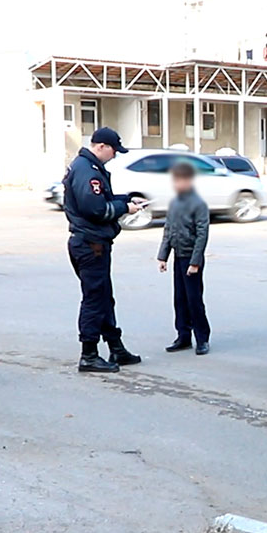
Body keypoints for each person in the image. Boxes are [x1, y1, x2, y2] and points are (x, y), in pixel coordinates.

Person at [63, 127, 144, 373]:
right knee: (94, 300)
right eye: (113, 150)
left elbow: (101, 200)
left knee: (104, 297)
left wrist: (125, 200)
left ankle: (115, 347)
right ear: (101, 147)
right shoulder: (87, 171)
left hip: (93, 243)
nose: (114, 155)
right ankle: (88, 354)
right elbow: (96, 210)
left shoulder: (88, 167)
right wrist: (124, 209)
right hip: (91, 244)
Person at [157, 160, 212, 355]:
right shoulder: (174, 203)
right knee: (179, 299)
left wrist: (195, 262)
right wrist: (163, 256)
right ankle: (183, 336)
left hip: (191, 258)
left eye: (180, 180)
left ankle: (202, 338)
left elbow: (202, 234)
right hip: (178, 257)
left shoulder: (198, 204)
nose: (177, 184)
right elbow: (168, 229)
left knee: (194, 300)